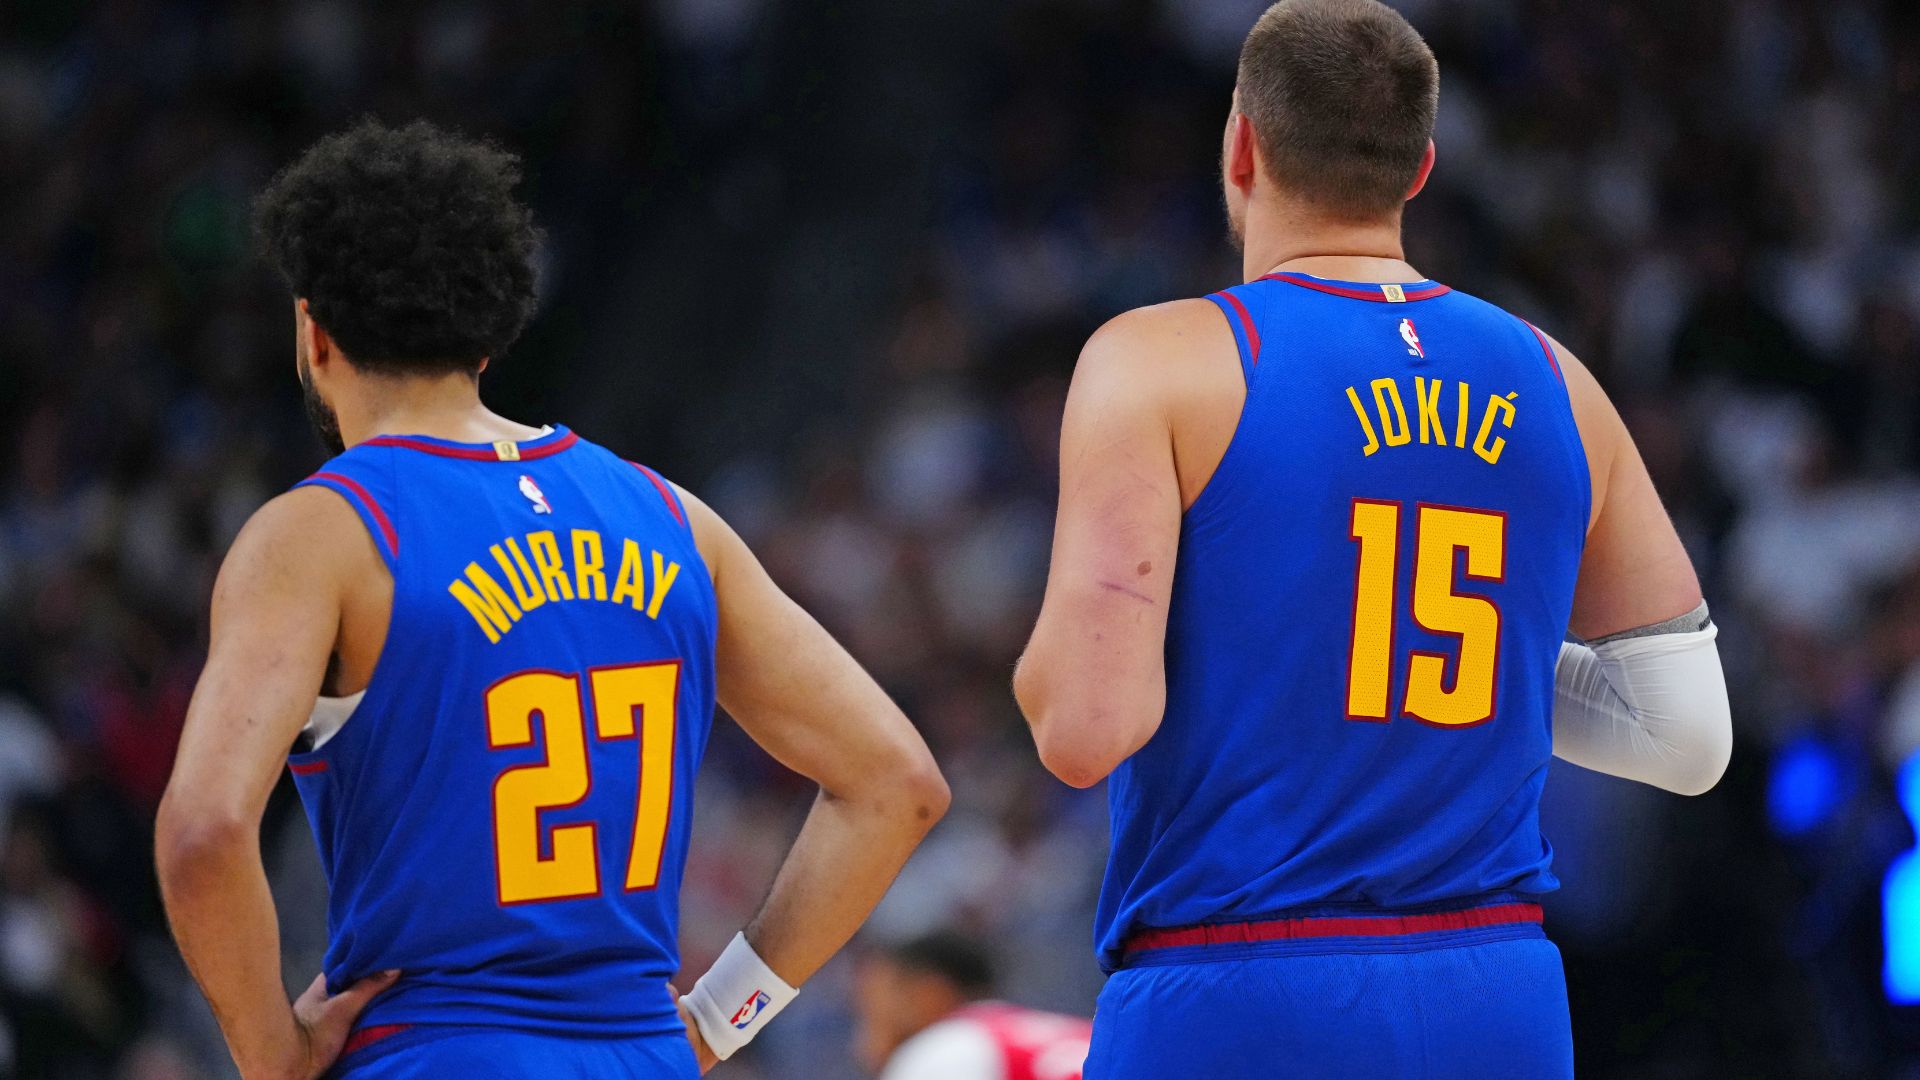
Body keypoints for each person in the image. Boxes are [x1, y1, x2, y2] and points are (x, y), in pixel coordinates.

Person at [1011, 1, 1733, 1076]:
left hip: (1242, 991)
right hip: (1498, 995)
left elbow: (1083, 727)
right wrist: (1480, 661)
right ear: (1421, 167)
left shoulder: (1155, 360)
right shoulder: (1555, 377)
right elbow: (1686, 737)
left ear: (1243, 144)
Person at [153, 119, 949, 1080]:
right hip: (642, 1055)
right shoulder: (670, 516)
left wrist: (273, 1058)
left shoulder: (321, 534)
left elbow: (203, 833)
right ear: (490, 337)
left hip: (437, 1052)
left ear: (314, 333)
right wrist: (717, 1020)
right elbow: (897, 784)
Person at [854, 932, 1090, 1080]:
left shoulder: (939, 1054)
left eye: (871, 1014)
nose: (862, 1045)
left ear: (927, 995)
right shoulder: (1088, 1034)